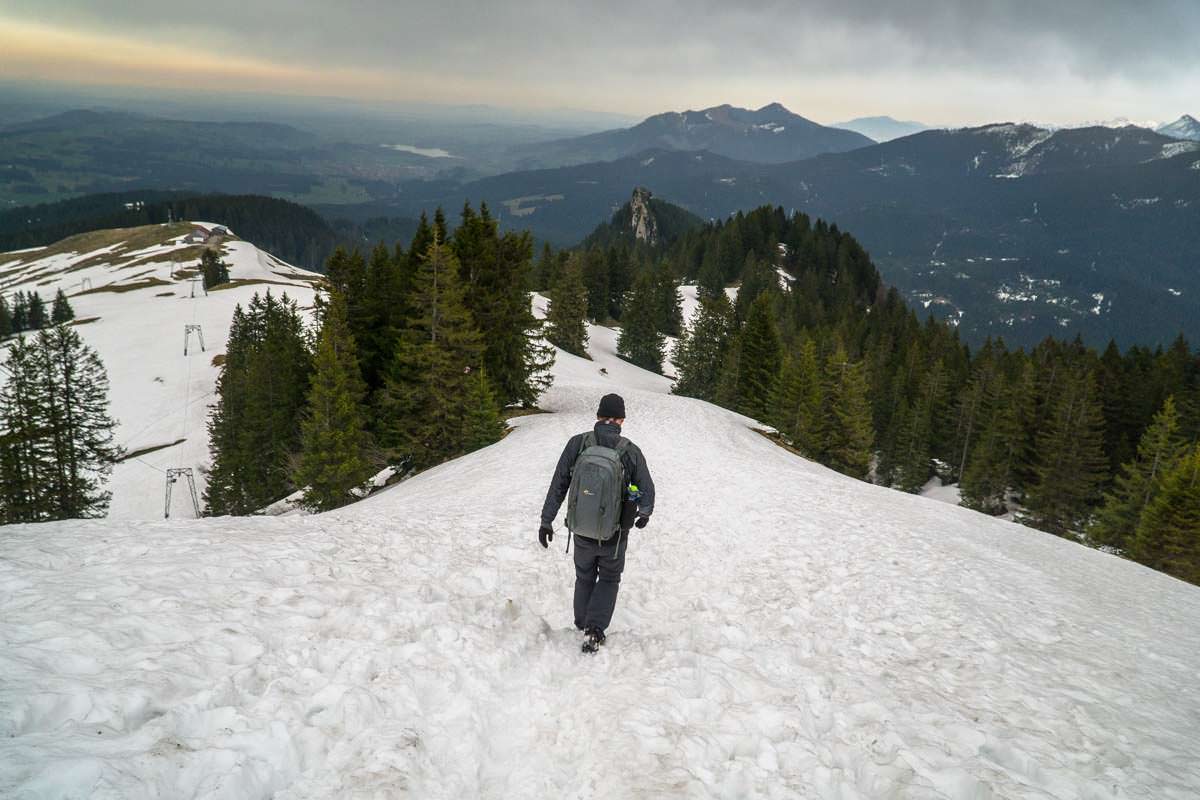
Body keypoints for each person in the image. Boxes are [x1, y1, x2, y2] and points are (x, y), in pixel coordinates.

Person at [539, 393, 655, 653]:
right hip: (614, 533)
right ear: (621, 420)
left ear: (598, 416)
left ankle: (582, 622)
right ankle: (594, 630)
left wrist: (547, 521)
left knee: (584, 575)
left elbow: (558, 485)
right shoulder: (629, 450)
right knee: (610, 578)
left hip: (581, 528)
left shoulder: (578, 444)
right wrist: (644, 513)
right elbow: (647, 490)